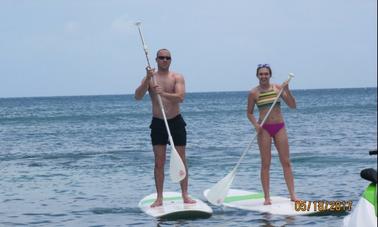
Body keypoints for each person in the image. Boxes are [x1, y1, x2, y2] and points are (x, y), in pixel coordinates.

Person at [134, 48, 196, 207]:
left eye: (167, 58)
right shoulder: (150, 78)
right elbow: (138, 96)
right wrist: (147, 80)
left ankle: (185, 195)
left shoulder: (177, 77)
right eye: (161, 57)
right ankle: (159, 197)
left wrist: (163, 94)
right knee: (159, 161)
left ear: (171, 60)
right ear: (156, 59)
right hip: (158, 122)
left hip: (175, 121)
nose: (164, 60)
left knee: (181, 159)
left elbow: (180, 97)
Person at [247, 64, 298, 205]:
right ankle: (267, 198)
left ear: (269, 75)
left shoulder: (277, 88)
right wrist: (256, 125)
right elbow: (249, 113)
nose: (263, 76)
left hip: (279, 127)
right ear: (257, 76)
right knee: (265, 164)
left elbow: (293, 105)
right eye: (261, 74)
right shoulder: (253, 93)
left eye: (266, 74)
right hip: (264, 129)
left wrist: (287, 90)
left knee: (286, 162)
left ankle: (293, 195)